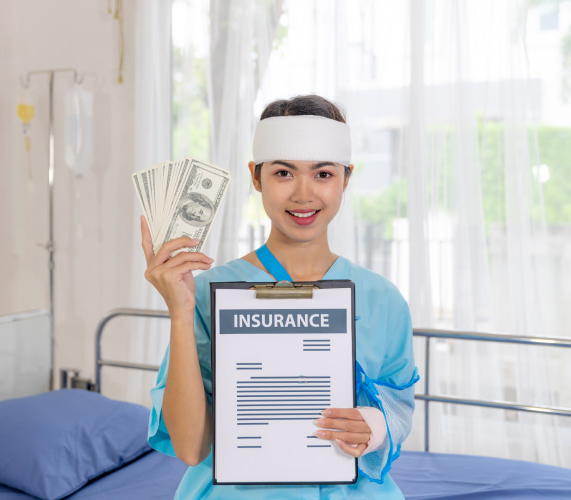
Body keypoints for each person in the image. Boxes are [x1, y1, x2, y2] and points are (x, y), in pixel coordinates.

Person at [141, 95, 419, 499]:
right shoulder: (205, 292)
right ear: (256, 177)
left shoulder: (383, 300)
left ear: (346, 178)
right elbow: (189, 447)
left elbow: (398, 405)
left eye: (323, 174)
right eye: (284, 173)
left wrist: (373, 426)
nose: (304, 195)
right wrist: (181, 314)